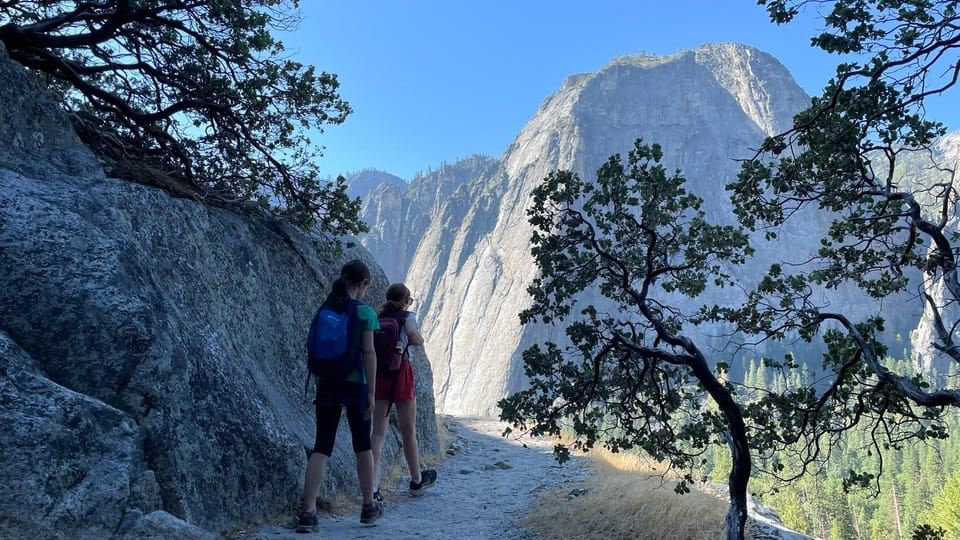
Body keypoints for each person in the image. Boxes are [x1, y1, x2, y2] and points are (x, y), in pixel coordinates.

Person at [297, 260, 384, 532]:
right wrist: (372, 392)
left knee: (322, 445)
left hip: (327, 383)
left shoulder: (324, 309)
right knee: (362, 446)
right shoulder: (365, 312)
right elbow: (369, 353)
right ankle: (368, 506)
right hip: (355, 386)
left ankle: (308, 512)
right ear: (364, 284)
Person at [370, 283, 438, 500]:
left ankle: (372, 486)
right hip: (401, 374)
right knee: (409, 432)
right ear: (405, 300)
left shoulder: (378, 317)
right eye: (409, 300)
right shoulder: (407, 316)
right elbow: (413, 336)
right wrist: (419, 339)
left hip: (379, 375)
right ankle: (416, 480)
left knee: (378, 432)